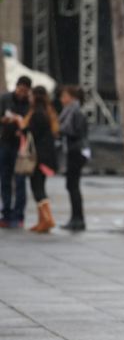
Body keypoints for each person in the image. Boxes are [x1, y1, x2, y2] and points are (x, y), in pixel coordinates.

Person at [19, 86, 60, 233]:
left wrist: (21, 127)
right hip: (45, 155)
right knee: (39, 186)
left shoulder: (37, 113)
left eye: (31, 95)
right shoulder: (48, 111)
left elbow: (32, 132)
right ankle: (42, 220)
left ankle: (47, 219)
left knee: (37, 188)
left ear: (36, 97)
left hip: (39, 157)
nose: (29, 98)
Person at [0, 76, 32, 229]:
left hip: (21, 146)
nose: (21, 93)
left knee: (20, 180)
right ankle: (6, 213)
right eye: (20, 90)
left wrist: (22, 128)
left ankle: (19, 214)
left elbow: (30, 123)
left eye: (25, 91)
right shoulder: (5, 99)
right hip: (5, 143)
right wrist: (5, 120)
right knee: (5, 179)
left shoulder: (29, 104)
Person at [59, 85, 89, 232]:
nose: (62, 99)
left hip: (76, 151)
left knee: (73, 185)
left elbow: (77, 132)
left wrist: (60, 130)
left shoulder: (75, 112)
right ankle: (75, 218)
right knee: (71, 186)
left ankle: (78, 219)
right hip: (73, 150)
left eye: (64, 96)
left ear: (72, 97)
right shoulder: (70, 111)